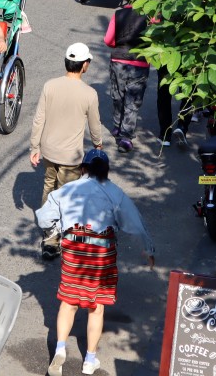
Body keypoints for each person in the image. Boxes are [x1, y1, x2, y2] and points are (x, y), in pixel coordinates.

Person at [36, 149, 155, 376]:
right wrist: (148, 249)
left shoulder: (67, 190)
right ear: (106, 171)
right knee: (95, 307)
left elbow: (44, 217)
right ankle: (90, 360)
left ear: (83, 169)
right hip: (101, 255)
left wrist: (56, 230)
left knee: (68, 303)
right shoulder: (114, 192)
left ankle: (60, 347)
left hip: (74, 250)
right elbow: (134, 222)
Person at [29, 43, 104, 259]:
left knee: (49, 188)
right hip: (71, 156)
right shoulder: (89, 93)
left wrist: (35, 147)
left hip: (49, 151)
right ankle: (58, 238)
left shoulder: (50, 86)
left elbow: (38, 119)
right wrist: (98, 145)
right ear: (84, 65)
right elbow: (95, 125)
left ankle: (49, 233)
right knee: (67, 195)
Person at [104, 0, 150, 152]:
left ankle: (117, 125)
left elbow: (108, 40)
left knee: (118, 95)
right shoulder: (149, 16)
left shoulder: (119, 14)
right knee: (133, 100)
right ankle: (125, 136)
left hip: (118, 59)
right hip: (139, 62)